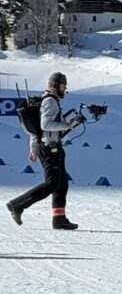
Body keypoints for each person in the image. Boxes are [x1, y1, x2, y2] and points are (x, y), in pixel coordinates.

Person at [7, 71, 81, 230]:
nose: (65, 88)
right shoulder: (50, 102)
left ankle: (59, 219)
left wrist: (33, 148)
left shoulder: (48, 100)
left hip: (51, 146)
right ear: (55, 86)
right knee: (51, 183)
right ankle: (17, 205)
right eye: (63, 85)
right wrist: (67, 125)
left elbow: (35, 129)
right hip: (49, 148)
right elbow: (45, 125)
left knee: (62, 184)